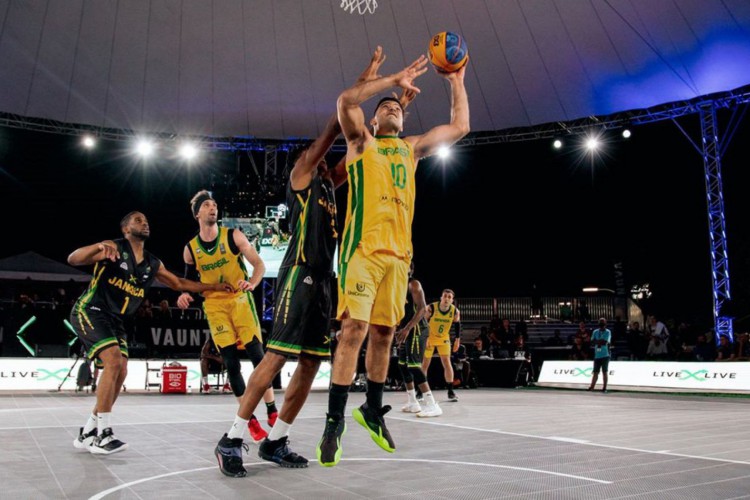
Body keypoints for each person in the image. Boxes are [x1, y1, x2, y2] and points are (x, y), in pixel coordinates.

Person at [214, 49, 394, 477]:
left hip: (327, 280)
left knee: (312, 363)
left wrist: (374, 123)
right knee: (275, 358)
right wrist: (355, 91)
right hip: (299, 273)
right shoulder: (300, 178)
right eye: (319, 157)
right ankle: (232, 437)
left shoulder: (330, 187)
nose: (324, 161)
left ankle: (276, 441)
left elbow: (360, 154)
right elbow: (336, 129)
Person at [317, 46, 469, 467]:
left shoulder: (412, 148)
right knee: (354, 329)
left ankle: (372, 407)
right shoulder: (360, 142)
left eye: (397, 109)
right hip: (362, 251)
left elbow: (460, 125)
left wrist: (456, 79)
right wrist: (393, 82)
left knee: (384, 334)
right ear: (374, 119)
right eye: (384, 107)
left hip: (399, 258)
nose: (392, 109)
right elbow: (346, 101)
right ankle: (334, 421)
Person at [69, 211, 231, 454]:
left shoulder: (152, 263)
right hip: (91, 310)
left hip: (117, 320)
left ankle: (90, 429)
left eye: (145, 220)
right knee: (113, 361)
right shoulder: (113, 248)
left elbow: (178, 284)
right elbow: (73, 258)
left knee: (122, 370)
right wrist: (98, 246)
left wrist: (214, 286)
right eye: (137, 220)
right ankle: (103, 434)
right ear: (125, 229)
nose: (144, 223)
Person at [177, 190, 277, 445]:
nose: (213, 208)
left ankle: (272, 411)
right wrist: (184, 294)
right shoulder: (190, 249)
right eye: (207, 205)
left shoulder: (232, 236)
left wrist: (253, 284)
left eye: (215, 204)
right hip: (215, 306)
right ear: (197, 213)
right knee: (231, 363)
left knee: (258, 358)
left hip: (240, 301)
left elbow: (259, 265)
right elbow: (189, 282)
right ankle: (250, 421)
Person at [395, 261, 441, 418]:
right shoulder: (395, 285)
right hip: (404, 330)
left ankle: (432, 404)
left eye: (405, 265)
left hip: (416, 329)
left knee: (414, 366)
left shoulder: (413, 284)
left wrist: (407, 328)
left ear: (410, 269)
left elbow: (422, 309)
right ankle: (413, 402)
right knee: (402, 365)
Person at [422, 289, 462, 402]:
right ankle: (420, 391)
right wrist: (425, 338)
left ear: (452, 300)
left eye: (449, 297)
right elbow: (423, 323)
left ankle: (450, 391)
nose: (447, 299)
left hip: (443, 338)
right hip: (430, 337)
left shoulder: (455, 311)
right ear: (441, 298)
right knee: (425, 364)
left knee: (447, 362)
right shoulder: (431, 308)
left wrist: (457, 340)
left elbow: (457, 325)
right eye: (445, 296)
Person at [588, 317, 611, 393]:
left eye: (603, 322)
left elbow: (605, 342)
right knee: (595, 372)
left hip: (605, 355)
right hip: (597, 355)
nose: (601, 324)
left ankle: (604, 388)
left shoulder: (608, 332)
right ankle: (592, 387)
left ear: (605, 324)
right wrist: (599, 341)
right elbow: (591, 342)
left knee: (605, 372)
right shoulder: (595, 332)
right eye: (600, 322)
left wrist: (596, 341)